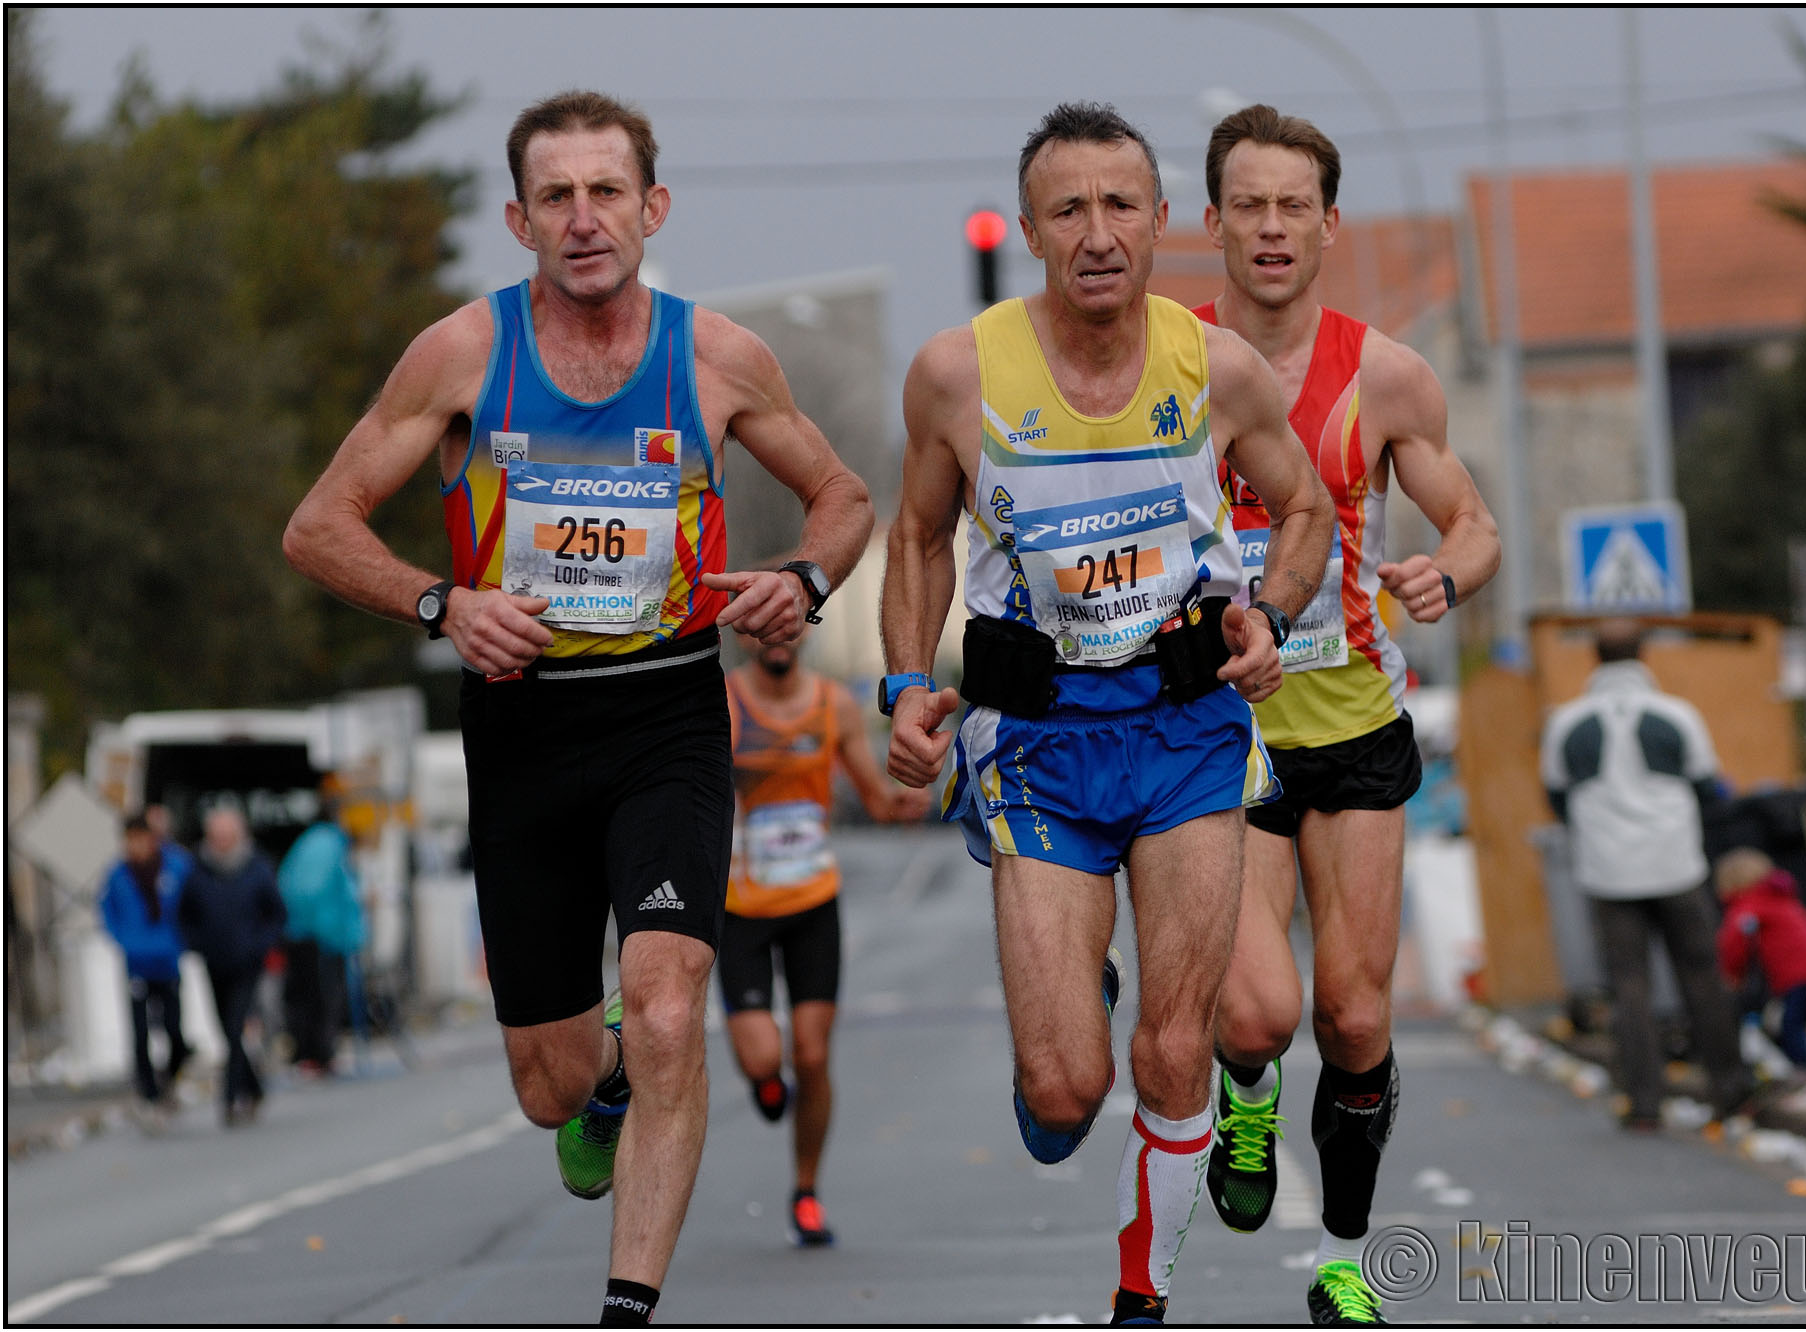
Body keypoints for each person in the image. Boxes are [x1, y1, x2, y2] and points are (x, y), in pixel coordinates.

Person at [282, 90, 872, 1324]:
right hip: (521, 724)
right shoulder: (461, 355)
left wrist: (801, 582)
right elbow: (318, 527)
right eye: (556, 195)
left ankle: (627, 1309)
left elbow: (842, 496)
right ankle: (596, 1082)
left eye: (608, 191)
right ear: (519, 218)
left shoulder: (713, 356)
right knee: (551, 1087)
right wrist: (443, 604)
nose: (584, 217)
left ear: (652, 209)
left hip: (665, 716)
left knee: (668, 1011)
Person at [882, 101, 1331, 1327]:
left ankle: (1145, 1298)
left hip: (1184, 732)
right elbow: (918, 536)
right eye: (1067, 209)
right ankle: (1070, 1031)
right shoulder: (956, 373)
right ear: (1029, 228)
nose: (1096, 233)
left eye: (1119, 205)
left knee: (1177, 1055)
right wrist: (905, 684)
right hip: (1036, 741)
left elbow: (1305, 513)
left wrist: (1270, 619)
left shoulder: (1215, 366)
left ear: (1162, 222)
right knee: (1067, 1093)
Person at [1183, 104, 1502, 1327]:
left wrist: (1444, 572)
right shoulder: (1167, 360)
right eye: (1247, 206)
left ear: (1328, 223)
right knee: (1260, 1011)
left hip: (1356, 722)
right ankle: (1247, 1094)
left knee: (1356, 1013)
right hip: (1225, 733)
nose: (1270, 228)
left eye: (1292, 206)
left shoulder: (1383, 374)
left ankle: (1349, 1264)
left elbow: (1471, 523)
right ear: (1212, 223)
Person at [718, 625, 927, 1248]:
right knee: (763, 1058)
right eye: (761, 633)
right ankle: (765, 1080)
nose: (774, 643)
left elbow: (870, 791)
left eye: (784, 631)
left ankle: (805, 1191)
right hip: (742, 907)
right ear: (746, 639)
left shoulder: (832, 704)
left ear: (800, 637)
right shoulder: (725, 703)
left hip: (812, 900)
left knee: (812, 1055)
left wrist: (900, 804)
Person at [1540, 619, 1756, 1132]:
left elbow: (1556, 795)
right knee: (1701, 976)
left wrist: (1595, 830)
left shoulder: (1567, 722)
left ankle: (1643, 1101)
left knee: (1628, 985)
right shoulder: (1677, 715)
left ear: (1594, 658)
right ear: (1644, 656)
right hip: (1676, 864)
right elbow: (1707, 787)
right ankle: (1729, 1091)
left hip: (1608, 872)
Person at [178, 805, 286, 1126]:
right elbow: (185, 914)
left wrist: (260, 945)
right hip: (215, 961)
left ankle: (229, 1098)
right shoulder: (198, 870)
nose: (223, 842)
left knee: (237, 1024)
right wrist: (196, 944)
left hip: (247, 962)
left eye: (228, 836)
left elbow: (276, 914)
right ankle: (254, 1087)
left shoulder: (257, 868)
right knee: (225, 1029)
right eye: (217, 836)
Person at [100, 814, 195, 1114]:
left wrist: (183, 939)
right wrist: (123, 940)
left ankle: (169, 1077)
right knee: (140, 1033)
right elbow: (107, 911)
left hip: (167, 959)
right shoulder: (118, 875)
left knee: (174, 1031)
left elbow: (193, 902)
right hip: (137, 962)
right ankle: (149, 1093)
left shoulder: (175, 867)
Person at [1714, 848, 1806, 1068]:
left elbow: (1734, 941)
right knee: (1794, 1020)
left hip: (1797, 974)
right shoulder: (1778, 898)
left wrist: (1731, 973)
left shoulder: (1750, 905)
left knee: (1790, 1023)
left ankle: (1803, 1068)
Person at [277, 783, 366, 1073]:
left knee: (304, 996)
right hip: (321, 935)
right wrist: (341, 933)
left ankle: (309, 1053)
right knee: (323, 998)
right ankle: (319, 1054)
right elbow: (319, 892)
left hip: (301, 931)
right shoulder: (330, 845)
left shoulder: (310, 841)